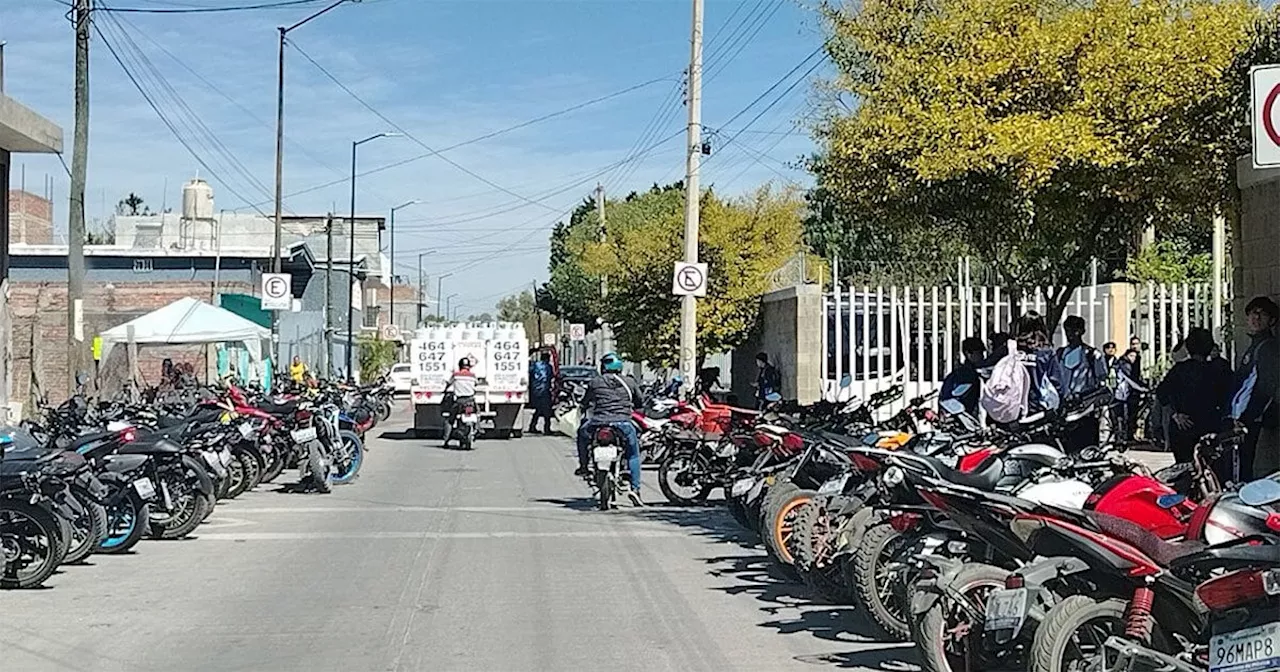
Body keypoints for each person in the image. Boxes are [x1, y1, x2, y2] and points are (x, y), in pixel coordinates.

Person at [574, 352, 644, 505]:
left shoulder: (595, 382)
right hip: (623, 424)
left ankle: (584, 466)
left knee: (581, 434)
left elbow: (585, 401)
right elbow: (640, 402)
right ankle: (635, 488)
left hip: (597, 423)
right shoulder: (630, 382)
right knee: (633, 454)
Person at [1156, 327, 1233, 464]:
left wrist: (1175, 414)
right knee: (1209, 468)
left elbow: (1162, 392)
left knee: (1184, 467)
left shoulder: (1179, 370)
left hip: (1183, 425)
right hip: (1210, 425)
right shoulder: (1219, 370)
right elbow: (1230, 396)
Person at [1230, 296, 1280, 481]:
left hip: (1250, 421)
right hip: (1240, 419)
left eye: (1262, 314)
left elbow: (1265, 387)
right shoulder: (1254, 346)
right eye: (1253, 313)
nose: (1256, 318)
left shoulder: (1267, 348)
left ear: (1272, 320)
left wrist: (1247, 417)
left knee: (1244, 470)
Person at [1057, 315, 1109, 449]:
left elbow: (1101, 382)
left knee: (1087, 449)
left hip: (1086, 409)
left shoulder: (1092, 355)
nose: (1070, 334)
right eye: (1068, 330)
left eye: (1074, 330)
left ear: (1081, 331)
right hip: (1064, 410)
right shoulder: (1060, 353)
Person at [1014, 312, 1068, 415]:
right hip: (1038, 407)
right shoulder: (1046, 352)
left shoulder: (1013, 349)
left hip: (1013, 406)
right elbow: (1057, 381)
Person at [940, 337, 986, 417]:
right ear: (968, 354)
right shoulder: (967, 375)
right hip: (964, 417)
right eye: (979, 353)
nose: (982, 356)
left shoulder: (957, 374)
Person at [1112, 348, 1147, 442]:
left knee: (1121, 417)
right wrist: (1141, 388)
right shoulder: (1125, 365)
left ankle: (1121, 436)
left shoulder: (1121, 364)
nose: (1133, 358)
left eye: (1135, 356)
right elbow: (1129, 380)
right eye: (1131, 356)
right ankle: (1122, 436)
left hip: (1121, 394)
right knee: (1124, 416)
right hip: (1121, 394)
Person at [441, 357, 477, 449]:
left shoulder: (456, 375)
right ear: (469, 366)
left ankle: (446, 440)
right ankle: (478, 428)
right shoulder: (472, 376)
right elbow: (476, 384)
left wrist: (445, 389)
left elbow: (449, 383)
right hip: (470, 401)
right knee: (478, 414)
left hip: (459, 402)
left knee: (450, 420)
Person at [528, 351, 554, 434]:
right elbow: (550, 377)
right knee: (547, 411)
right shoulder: (548, 367)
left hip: (535, 390)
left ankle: (532, 426)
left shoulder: (535, 365)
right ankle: (547, 428)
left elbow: (530, 374)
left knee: (538, 409)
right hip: (545, 390)